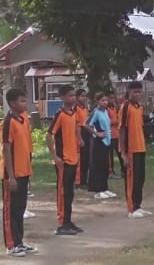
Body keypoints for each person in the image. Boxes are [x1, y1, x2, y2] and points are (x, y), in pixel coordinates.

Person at [0, 88, 36, 257]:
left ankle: (19, 241)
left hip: (23, 171)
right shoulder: (9, 122)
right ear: (12, 103)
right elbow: (6, 149)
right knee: (11, 210)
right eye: (21, 101)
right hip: (11, 175)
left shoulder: (23, 119)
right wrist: (11, 176)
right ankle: (11, 244)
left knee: (20, 208)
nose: (25, 103)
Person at [49, 86, 84, 235]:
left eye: (74, 96)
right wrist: (55, 156)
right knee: (63, 193)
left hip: (72, 158)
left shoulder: (74, 112)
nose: (73, 98)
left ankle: (68, 221)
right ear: (62, 98)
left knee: (70, 193)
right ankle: (62, 223)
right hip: (63, 160)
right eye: (70, 96)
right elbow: (49, 135)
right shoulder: (60, 114)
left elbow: (76, 126)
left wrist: (80, 138)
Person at [119, 80, 149, 217]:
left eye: (139, 92)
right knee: (131, 179)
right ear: (128, 92)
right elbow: (122, 130)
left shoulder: (139, 107)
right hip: (131, 149)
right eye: (134, 92)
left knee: (140, 178)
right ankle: (131, 208)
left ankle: (138, 205)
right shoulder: (125, 107)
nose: (137, 94)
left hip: (140, 147)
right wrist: (123, 153)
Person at [86, 92, 115, 200]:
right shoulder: (96, 112)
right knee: (97, 166)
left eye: (106, 100)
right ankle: (97, 189)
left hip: (106, 141)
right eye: (102, 100)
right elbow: (87, 125)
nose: (105, 102)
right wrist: (96, 133)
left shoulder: (106, 112)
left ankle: (104, 188)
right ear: (98, 101)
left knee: (105, 165)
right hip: (98, 142)